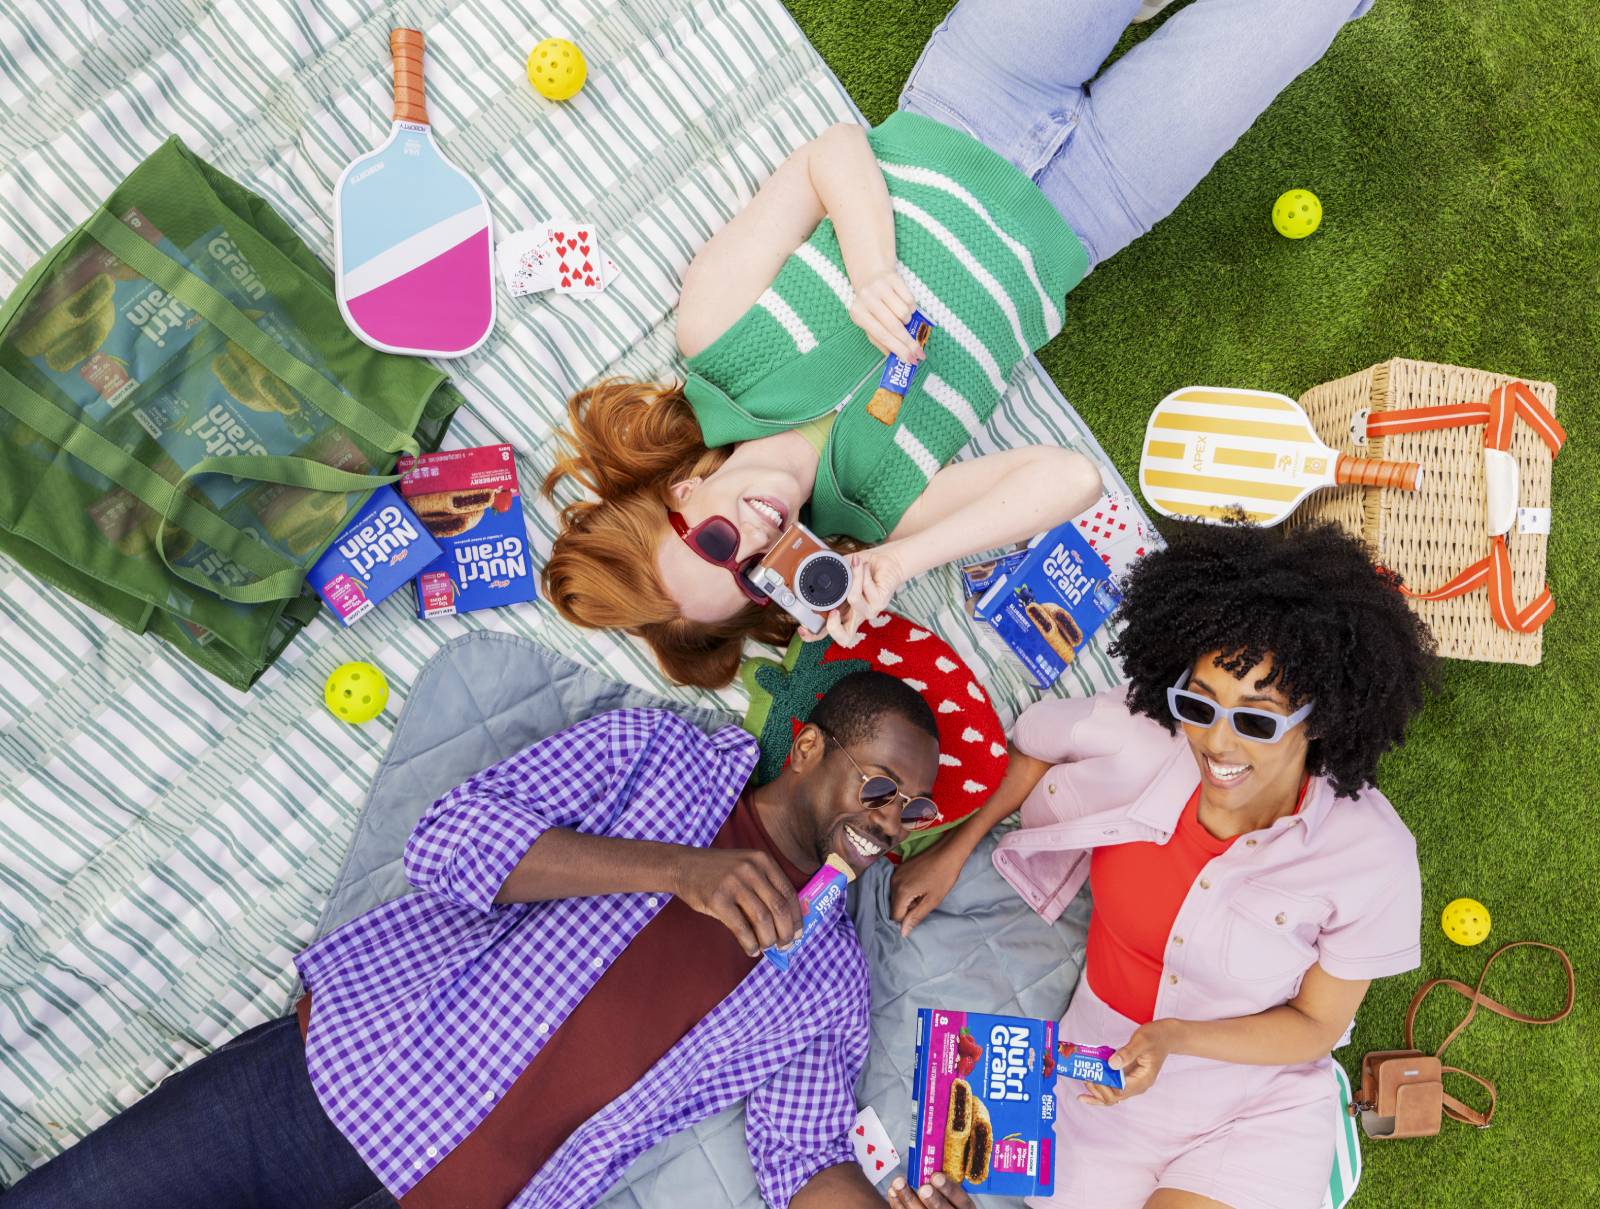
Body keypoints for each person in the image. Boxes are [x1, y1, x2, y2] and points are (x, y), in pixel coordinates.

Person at [541, 0, 1375, 688]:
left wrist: (869, 271)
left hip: (981, 92)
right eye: (752, 575)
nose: (757, 541)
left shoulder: (716, 341)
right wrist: (902, 560)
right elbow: (1069, 478)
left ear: (682, 496)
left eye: (717, 544)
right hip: (1096, 200)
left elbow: (829, 154)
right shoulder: (878, 507)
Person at [8, 671, 974, 1209]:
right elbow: (452, 841)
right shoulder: (658, 754)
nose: (891, 821)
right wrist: (681, 870)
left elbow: (801, 1157)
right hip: (336, 1090)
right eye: (877, 786)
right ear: (806, 746)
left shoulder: (830, 980)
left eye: (914, 809)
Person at [885, 521, 1436, 1209]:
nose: (1217, 741)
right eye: (1199, 703)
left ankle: (1316, 1144)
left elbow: (1317, 1025)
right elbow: (1034, 743)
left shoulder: (1371, 856)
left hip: (1252, 1096)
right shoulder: (1140, 735)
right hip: (1097, 1084)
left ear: (1319, 720)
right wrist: (952, 849)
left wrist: (1176, 1037)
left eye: (1258, 720)